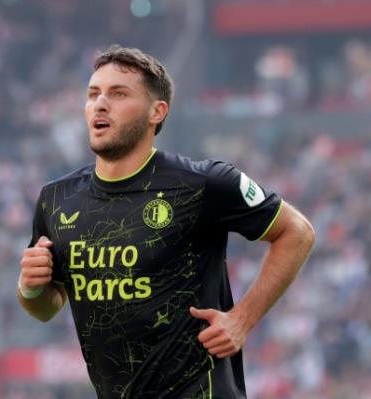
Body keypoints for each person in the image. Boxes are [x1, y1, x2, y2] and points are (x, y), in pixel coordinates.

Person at [17, 45, 315, 399]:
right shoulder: (57, 199)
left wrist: (242, 319)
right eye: (93, 94)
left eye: (118, 93)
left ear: (156, 112)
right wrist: (30, 288)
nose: (100, 104)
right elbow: (46, 308)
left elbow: (297, 232)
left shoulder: (203, 183)